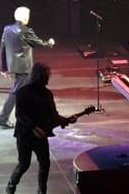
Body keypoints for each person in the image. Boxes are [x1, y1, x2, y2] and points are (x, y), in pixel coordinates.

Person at [5, 63, 78, 194]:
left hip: (40, 135)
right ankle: (11, 186)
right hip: (25, 135)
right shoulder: (23, 92)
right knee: (24, 164)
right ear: (39, 77)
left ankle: (42, 190)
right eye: (46, 76)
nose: (48, 78)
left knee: (45, 163)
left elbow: (53, 115)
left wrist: (66, 120)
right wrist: (33, 127)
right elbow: (19, 115)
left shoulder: (47, 94)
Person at [0, 6, 55, 129]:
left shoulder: (7, 29)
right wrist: (50, 43)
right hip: (24, 68)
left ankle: (27, 117)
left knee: (25, 92)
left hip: (14, 66)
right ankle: (3, 118)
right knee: (16, 92)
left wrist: (3, 68)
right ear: (24, 17)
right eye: (28, 16)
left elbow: (2, 48)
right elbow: (40, 43)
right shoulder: (26, 31)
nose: (29, 18)